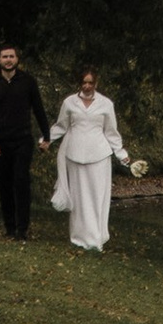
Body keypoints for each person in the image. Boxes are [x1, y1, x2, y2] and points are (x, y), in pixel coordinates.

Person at [46, 68, 134, 253]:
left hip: (99, 156)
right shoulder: (69, 102)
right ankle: (78, 238)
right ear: (80, 83)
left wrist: (121, 154)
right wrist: (46, 140)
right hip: (75, 154)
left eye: (90, 83)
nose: (86, 86)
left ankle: (95, 239)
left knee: (96, 196)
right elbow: (61, 126)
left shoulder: (105, 104)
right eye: (84, 82)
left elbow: (111, 132)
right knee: (79, 198)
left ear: (96, 84)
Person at [0, 43, 51, 240]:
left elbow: (38, 110)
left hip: (22, 140)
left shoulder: (28, 82)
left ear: (17, 59)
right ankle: (9, 227)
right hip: (0, 142)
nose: (8, 60)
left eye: (11, 56)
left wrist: (47, 136)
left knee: (21, 181)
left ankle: (22, 230)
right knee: (4, 184)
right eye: (5, 57)